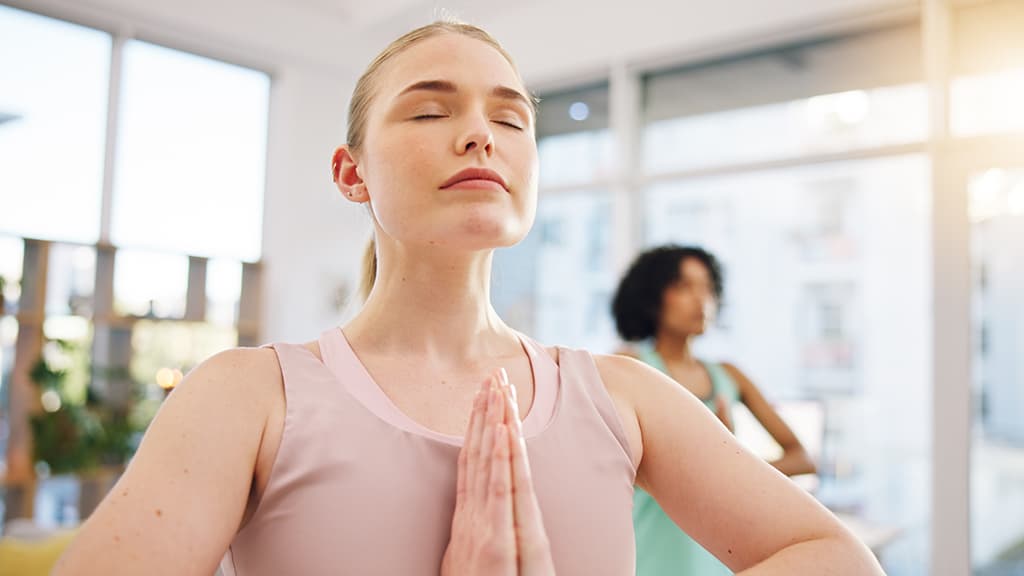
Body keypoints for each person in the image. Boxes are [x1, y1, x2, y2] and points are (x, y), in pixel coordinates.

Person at [53, 20, 882, 575]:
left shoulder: (623, 397)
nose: (482, 133)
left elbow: (831, 555)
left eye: (513, 120)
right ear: (352, 174)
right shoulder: (245, 397)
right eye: (429, 111)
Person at [612, 244, 819, 575]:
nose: (701, 299)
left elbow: (802, 458)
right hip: (649, 556)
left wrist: (729, 464)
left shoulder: (728, 375)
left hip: (718, 559)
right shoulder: (631, 367)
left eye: (707, 287)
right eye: (683, 286)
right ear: (652, 298)